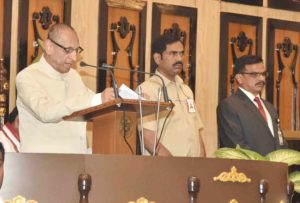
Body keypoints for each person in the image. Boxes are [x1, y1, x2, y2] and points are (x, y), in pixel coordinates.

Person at [16, 23, 115, 154]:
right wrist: (96, 100)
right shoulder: (27, 77)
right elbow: (46, 112)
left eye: (77, 50)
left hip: (77, 164)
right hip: (42, 165)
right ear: (49, 47)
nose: (74, 58)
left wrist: (129, 99)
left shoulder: (74, 76)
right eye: (68, 50)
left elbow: (94, 105)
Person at [138, 31, 206, 157]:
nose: (179, 59)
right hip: (167, 170)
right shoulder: (147, 90)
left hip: (193, 171)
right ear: (158, 58)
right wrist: (174, 166)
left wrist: (202, 163)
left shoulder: (186, 91)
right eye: (173, 54)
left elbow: (197, 131)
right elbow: (148, 138)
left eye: (181, 53)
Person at [217, 55, 287, 155]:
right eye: (254, 74)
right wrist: (263, 165)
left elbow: (280, 141)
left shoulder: (269, 107)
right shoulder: (229, 106)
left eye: (263, 74)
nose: (261, 78)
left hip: (275, 169)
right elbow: (236, 147)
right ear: (239, 78)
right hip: (248, 169)